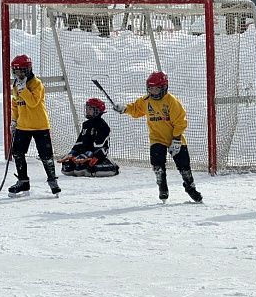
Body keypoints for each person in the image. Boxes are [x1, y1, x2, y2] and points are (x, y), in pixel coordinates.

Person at [113, 71, 203, 203]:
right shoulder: (146, 101)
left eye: (156, 88)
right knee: (157, 163)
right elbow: (136, 109)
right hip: (157, 138)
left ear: (164, 87)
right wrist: (125, 108)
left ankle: (190, 187)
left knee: (184, 165)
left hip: (175, 137)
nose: (153, 91)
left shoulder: (171, 101)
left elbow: (180, 121)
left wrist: (176, 139)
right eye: (150, 88)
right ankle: (162, 186)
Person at [8, 55, 61, 197]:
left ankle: (52, 180)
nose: (19, 74)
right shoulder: (16, 85)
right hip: (23, 126)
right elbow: (15, 103)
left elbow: (32, 102)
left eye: (22, 71)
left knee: (46, 155)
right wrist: (14, 120)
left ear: (29, 69)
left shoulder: (37, 84)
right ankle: (23, 181)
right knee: (18, 153)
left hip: (40, 126)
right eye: (16, 71)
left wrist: (24, 89)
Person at [59, 98, 119, 177]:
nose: (87, 111)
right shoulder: (86, 124)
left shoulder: (102, 125)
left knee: (83, 169)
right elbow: (80, 141)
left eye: (90, 109)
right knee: (67, 168)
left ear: (97, 111)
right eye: (87, 108)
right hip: (85, 152)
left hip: (98, 153)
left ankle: (111, 166)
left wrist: (88, 156)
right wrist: (72, 153)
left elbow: (98, 145)